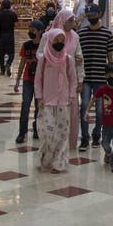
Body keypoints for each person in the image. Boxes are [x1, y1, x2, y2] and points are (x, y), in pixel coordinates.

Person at [38, 8, 83, 149]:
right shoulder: (48, 36)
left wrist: (80, 78)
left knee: (70, 112)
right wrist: (53, 59)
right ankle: (50, 143)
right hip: (50, 79)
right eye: (70, 20)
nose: (73, 23)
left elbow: (79, 57)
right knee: (49, 112)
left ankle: (67, 143)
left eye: (73, 20)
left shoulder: (75, 37)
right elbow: (40, 54)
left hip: (69, 80)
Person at [34, 28, 77, 173]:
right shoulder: (44, 59)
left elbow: (72, 79)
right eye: (56, 40)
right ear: (50, 40)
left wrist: (71, 96)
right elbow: (38, 79)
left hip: (63, 101)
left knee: (62, 133)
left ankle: (59, 163)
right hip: (47, 101)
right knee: (47, 131)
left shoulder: (67, 59)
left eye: (62, 40)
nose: (59, 43)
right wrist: (39, 97)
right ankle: (46, 157)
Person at [77, 3, 113, 152]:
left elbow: (110, 55)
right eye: (89, 16)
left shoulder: (106, 33)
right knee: (84, 107)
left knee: (100, 109)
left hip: (101, 77)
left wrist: (112, 75)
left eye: (93, 15)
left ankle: (96, 135)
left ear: (99, 14)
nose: (91, 18)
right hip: (85, 77)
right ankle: (84, 138)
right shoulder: (82, 34)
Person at [14, 19, 44, 143]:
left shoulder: (44, 46)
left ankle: (37, 128)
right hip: (27, 79)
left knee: (39, 106)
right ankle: (22, 131)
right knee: (25, 104)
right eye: (30, 29)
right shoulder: (26, 45)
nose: (30, 31)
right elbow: (22, 63)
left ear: (40, 31)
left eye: (33, 29)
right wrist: (17, 80)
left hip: (40, 80)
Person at [0, 0, 18, 75]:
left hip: (1, 35)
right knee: (11, 53)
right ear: (9, 5)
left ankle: (2, 70)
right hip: (10, 35)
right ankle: (8, 64)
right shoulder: (13, 14)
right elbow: (16, 25)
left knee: (2, 53)